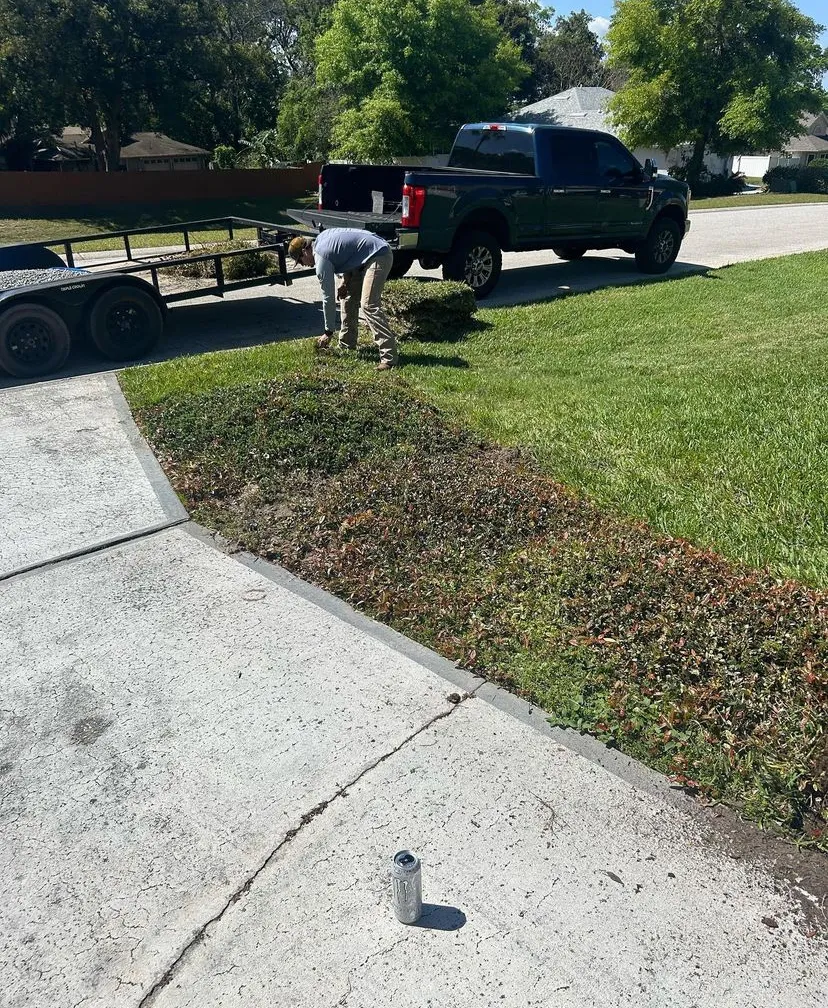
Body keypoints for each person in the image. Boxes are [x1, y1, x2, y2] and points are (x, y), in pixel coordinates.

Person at [288, 228, 400, 371]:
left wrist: (328, 332)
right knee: (346, 297)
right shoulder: (321, 240)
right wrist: (345, 282)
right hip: (366, 255)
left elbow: (327, 298)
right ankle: (347, 344)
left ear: (305, 251)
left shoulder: (320, 257)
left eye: (301, 261)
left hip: (378, 254)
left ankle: (389, 358)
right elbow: (349, 254)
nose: (304, 265)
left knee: (369, 305)